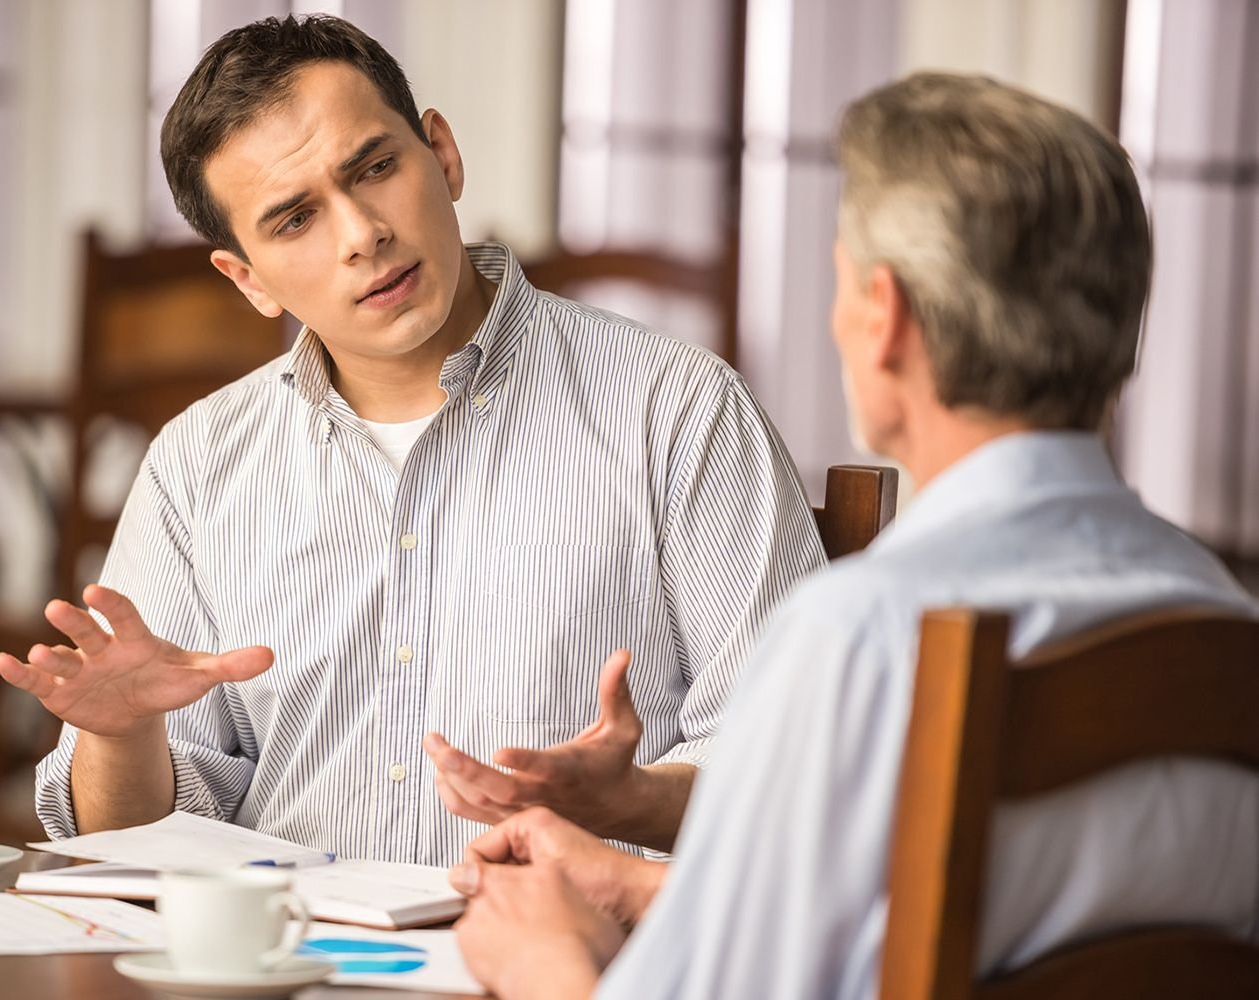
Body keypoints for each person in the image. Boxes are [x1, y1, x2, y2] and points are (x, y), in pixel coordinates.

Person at [449, 72, 1259, 999]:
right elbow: (959, 925)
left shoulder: (862, 635)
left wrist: (542, 962)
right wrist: (654, 887)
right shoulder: (1226, 623)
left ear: (888, 320)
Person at [0, 14, 826, 866]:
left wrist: (636, 802)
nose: (361, 234)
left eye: (376, 168)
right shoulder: (196, 466)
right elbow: (135, 846)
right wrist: (124, 738)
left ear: (443, 154)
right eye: (293, 221)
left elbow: (800, 758)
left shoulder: (677, 409)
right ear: (247, 280)